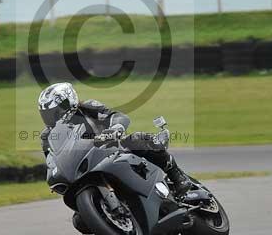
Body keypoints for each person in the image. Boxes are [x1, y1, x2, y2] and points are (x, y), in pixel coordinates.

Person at [37, 81, 192, 196]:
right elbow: (52, 160)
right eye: (48, 114)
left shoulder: (87, 107)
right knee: (80, 222)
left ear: (68, 101)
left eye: (55, 112)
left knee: (138, 139)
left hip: (112, 148)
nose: (53, 118)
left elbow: (116, 116)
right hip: (85, 165)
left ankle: (177, 175)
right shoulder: (47, 136)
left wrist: (115, 129)